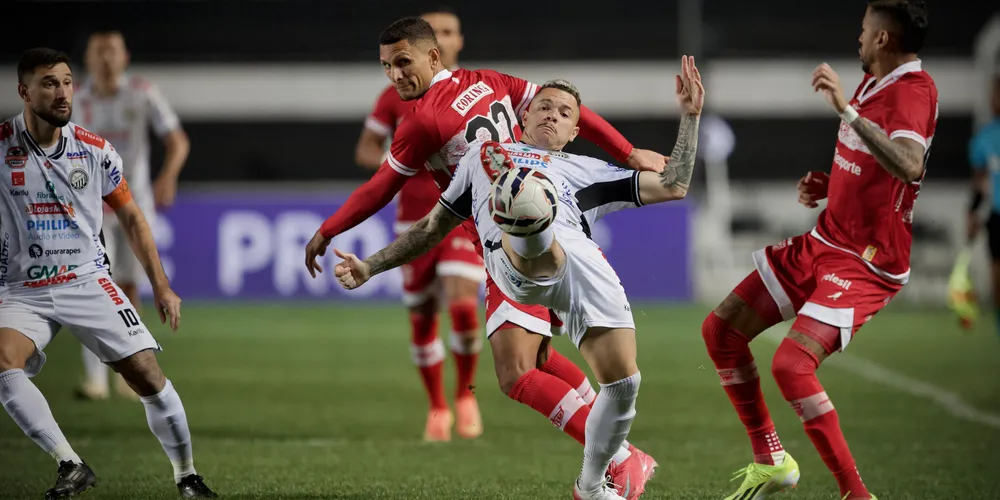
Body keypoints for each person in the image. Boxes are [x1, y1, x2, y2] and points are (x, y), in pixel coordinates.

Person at [305, 16, 664, 498]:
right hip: (539, 224)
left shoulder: (424, 120)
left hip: (508, 244)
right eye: (386, 66)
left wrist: (328, 229)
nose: (394, 75)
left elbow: (380, 188)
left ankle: (619, 459)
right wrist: (629, 151)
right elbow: (578, 111)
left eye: (403, 63)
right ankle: (617, 451)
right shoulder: (489, 81)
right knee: (538, 357)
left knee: (515, 372)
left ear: (434, 56)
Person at [700, 1, 936, 499]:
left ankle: (856, 494)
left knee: (791, 365)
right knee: (721, 330)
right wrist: (832, 185)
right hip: (825, 241)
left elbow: (910, 164)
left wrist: (846, 109)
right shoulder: (874, 81)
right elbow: (874, 164)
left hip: (866, 262)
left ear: (883, 39)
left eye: (864, 29)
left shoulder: (914, 90)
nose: (858, 37)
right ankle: (772, 460)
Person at [0, 48, 215, 498]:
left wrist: (161, 285)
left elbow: (133, 218)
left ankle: (188, 477)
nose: (62, 93)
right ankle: (70, 464)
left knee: (148, 377)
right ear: (24, 91)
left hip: (86, 280)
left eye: (66, 82)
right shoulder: (2, 148)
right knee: (2, 361)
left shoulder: (95, 151)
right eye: (49, 83)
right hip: (23, 290)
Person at [354, 7, 488, 442]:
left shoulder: (477, 91)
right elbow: (366, 149)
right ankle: (437, 407)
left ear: (457, 41)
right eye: (436, 32)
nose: (444, 39)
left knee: (463, 306)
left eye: (450, 31)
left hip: (462, 216)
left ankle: (465, 395)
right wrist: (399, 162)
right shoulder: (394, 95)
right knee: (422, 317)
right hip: (413, 220)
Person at [73, 30, 191, 401]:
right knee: (92, 285)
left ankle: (128, 372)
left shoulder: (142, 93)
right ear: (88, 59)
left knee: (126, 287)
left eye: (112, 51)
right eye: (99, 52)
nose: (106, 58)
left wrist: (168, 176)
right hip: (89, 207)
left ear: (125, 57)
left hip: (132, 205)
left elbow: (177, 140)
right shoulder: (75, 98)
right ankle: (95, 380)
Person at [967, 75, 1000, 337]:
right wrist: (973, 214)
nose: (993, 100)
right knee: (997, 281)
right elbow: (980, 181)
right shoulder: (985, 138)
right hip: (997, 216)